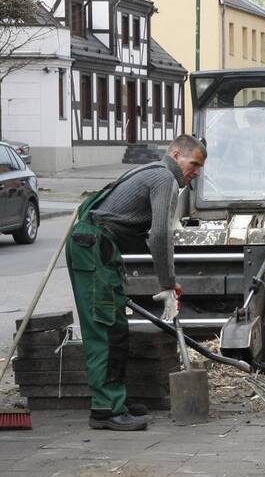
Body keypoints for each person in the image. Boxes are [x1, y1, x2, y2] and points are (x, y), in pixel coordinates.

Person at [67, 135, 206, 430]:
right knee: (104, 329)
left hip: (98, 249)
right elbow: (159, 235)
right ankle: (105, 410)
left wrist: (168, 281)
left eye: (200, 167)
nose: (196, 171)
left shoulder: (152, 173)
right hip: (93, 249)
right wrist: (167, 283)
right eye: (193, 163)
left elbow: (137, 232)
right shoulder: (164, 178)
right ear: (176, 154)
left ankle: (114, 399)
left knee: (115, 327)